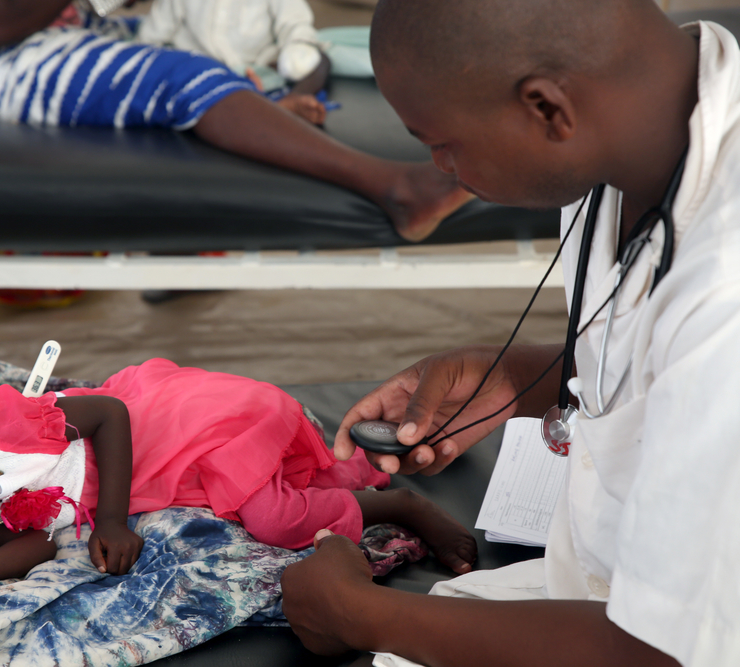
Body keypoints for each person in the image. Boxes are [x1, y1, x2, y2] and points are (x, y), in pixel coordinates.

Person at [281, 1, 740, 666]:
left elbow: (656, 654)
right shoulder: (631, 136)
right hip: (599, 588)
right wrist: (513, 379)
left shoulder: (725, 288)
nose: (440, 168)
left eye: (440, 143)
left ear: (548, 110)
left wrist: (362, 615)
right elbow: (663, 357)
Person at [0, 358, 476, 601]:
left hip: (186, 425)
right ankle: (365, 470)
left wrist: (108, 520)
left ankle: (395, 503)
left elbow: (104, 413)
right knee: (278, 489)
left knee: (272, 518)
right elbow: (34, 547)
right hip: (184, 471)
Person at [0, 0, 471, 242]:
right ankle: (397, 189)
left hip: (42, 30)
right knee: (179, 76)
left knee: (194, 41)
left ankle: (251, 112)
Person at [136, 0, 332, 125]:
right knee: (168, 69)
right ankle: (260, 103)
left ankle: (294, 99)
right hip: (200, 70)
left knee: (319, 60)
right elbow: (152, 35)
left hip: (259, 65)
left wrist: (298, 50)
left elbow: (296, 25)